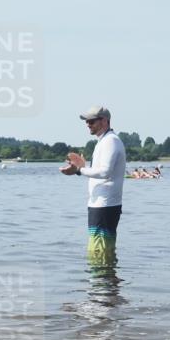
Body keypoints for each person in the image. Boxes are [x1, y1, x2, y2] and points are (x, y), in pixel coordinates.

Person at [60, 105, 126, 266]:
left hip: (104, 205)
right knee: (103, 252)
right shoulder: (104, 141)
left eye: (91, 121)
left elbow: (105, 172)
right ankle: (105, 288)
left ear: (104, 121)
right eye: (86, 121)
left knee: (98, 253)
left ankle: (100, 289)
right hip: (101, 205)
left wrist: (79, 170)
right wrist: (81, 168)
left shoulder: (110, 141)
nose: (87, 124)